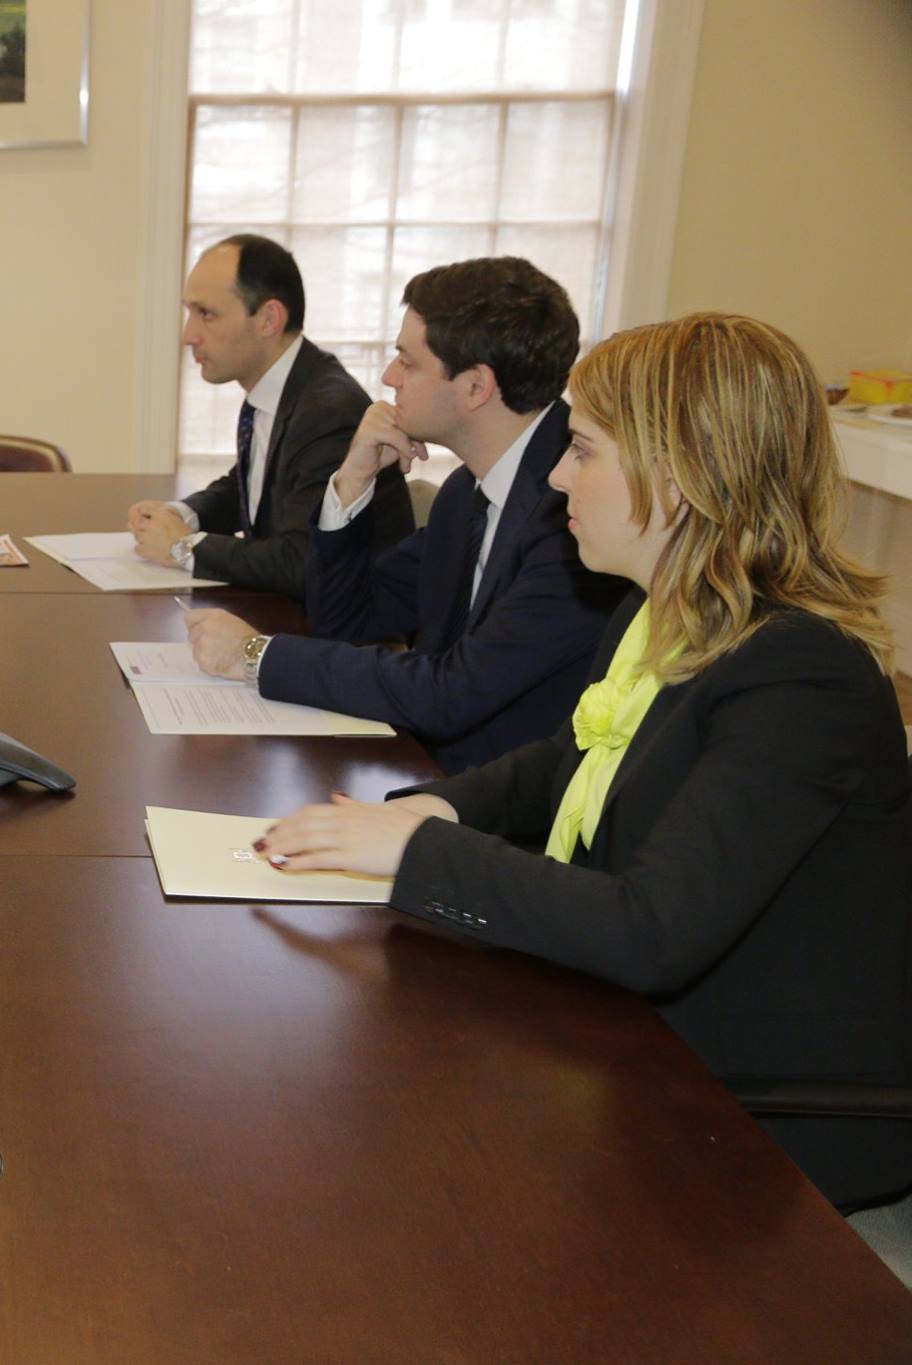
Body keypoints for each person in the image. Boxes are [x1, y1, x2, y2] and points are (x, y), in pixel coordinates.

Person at [258, 312, 912, 1209]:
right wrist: (432, 808)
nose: (559, 475)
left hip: (748, 1105)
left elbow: (652, 929)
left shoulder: (802, 676)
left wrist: (417, 853)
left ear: (680, 478)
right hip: (636, 1036)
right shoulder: (658, 613)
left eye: (584, 450)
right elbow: (566, 761)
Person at [186, 256, 628, 773]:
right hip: (433, 772)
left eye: (408, 362)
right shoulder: (468, 491)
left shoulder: (573, 514)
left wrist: (256, 655)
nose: (388, 377)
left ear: (475, 387)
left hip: (503, 805)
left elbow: (451, 692)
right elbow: (349, 618)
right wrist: (352, 482)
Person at [129, 234, 411, 594]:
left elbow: (300, 560)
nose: (189, 335)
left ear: (268, 319)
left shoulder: (328, 411)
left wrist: (183, 547)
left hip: (339, 622)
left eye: (206, 314)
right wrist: (181, 515)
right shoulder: (283, 387)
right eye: (190, 313)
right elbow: (251, 488)